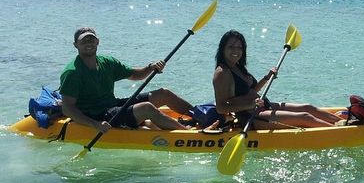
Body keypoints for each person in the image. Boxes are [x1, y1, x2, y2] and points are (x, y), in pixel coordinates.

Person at [60, 27, 194, 132]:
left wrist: (150, 67)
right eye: (84, 41)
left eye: (91, 40)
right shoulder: (72, 72)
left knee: (164, 94)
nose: (88, 43)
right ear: (75, 45)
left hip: (113, 106)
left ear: (98, 41)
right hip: (97, 116)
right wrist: (95, 124)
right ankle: (188, 133)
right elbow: (68, 109)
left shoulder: (107, 62)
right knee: (147, 108)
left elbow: (135, 75)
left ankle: (204, 117)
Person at [212, 29, 342, 129]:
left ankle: (344, 123)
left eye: (239, 47)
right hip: (251, 116)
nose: (236, 51)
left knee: (308, 108)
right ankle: (340, 132)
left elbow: (250, 92)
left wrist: (266, 78)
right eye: (231, 47)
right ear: (222, 49)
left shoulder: (237, 67)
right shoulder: (222, 73)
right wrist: (251, 105)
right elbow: (221, 108)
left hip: (263, 107)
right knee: (305, 117)